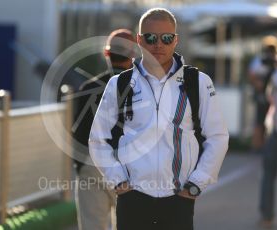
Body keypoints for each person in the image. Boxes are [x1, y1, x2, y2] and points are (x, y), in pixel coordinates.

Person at [89, 8, 229, 230]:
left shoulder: (198, 82)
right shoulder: (119, 84)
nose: (158, 44)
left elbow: (218, 137)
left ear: (175, 40)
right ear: (139, 40)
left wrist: (195, 185)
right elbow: (98, 139)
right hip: (132, 198)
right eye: (150, 37)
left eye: (166, 38)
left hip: (179, 199)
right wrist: (118, 181)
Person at [72, 29, 136, 230]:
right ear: (132, 55)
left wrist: (80, 166)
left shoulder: (88, 88)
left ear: (107, 54)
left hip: (91, 164)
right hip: (129, 168)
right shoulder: (143, 88)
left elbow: (78, 132)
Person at [259, 46, 277, 229]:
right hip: (275, 131)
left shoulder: (275, 76)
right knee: (268, 175)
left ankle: (267, 216)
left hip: (275, 131)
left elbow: (270, 98)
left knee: (268, 175)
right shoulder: (275, 76)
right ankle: (266, 214)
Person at [248, 36, 277, 152]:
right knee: (260, 121)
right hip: (263, 95)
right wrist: (259, 84)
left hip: (269, 95)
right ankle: (258, 146)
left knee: (265, 121)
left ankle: (263, 146)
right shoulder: (261, 60)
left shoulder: (265, 60)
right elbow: (251, 75)